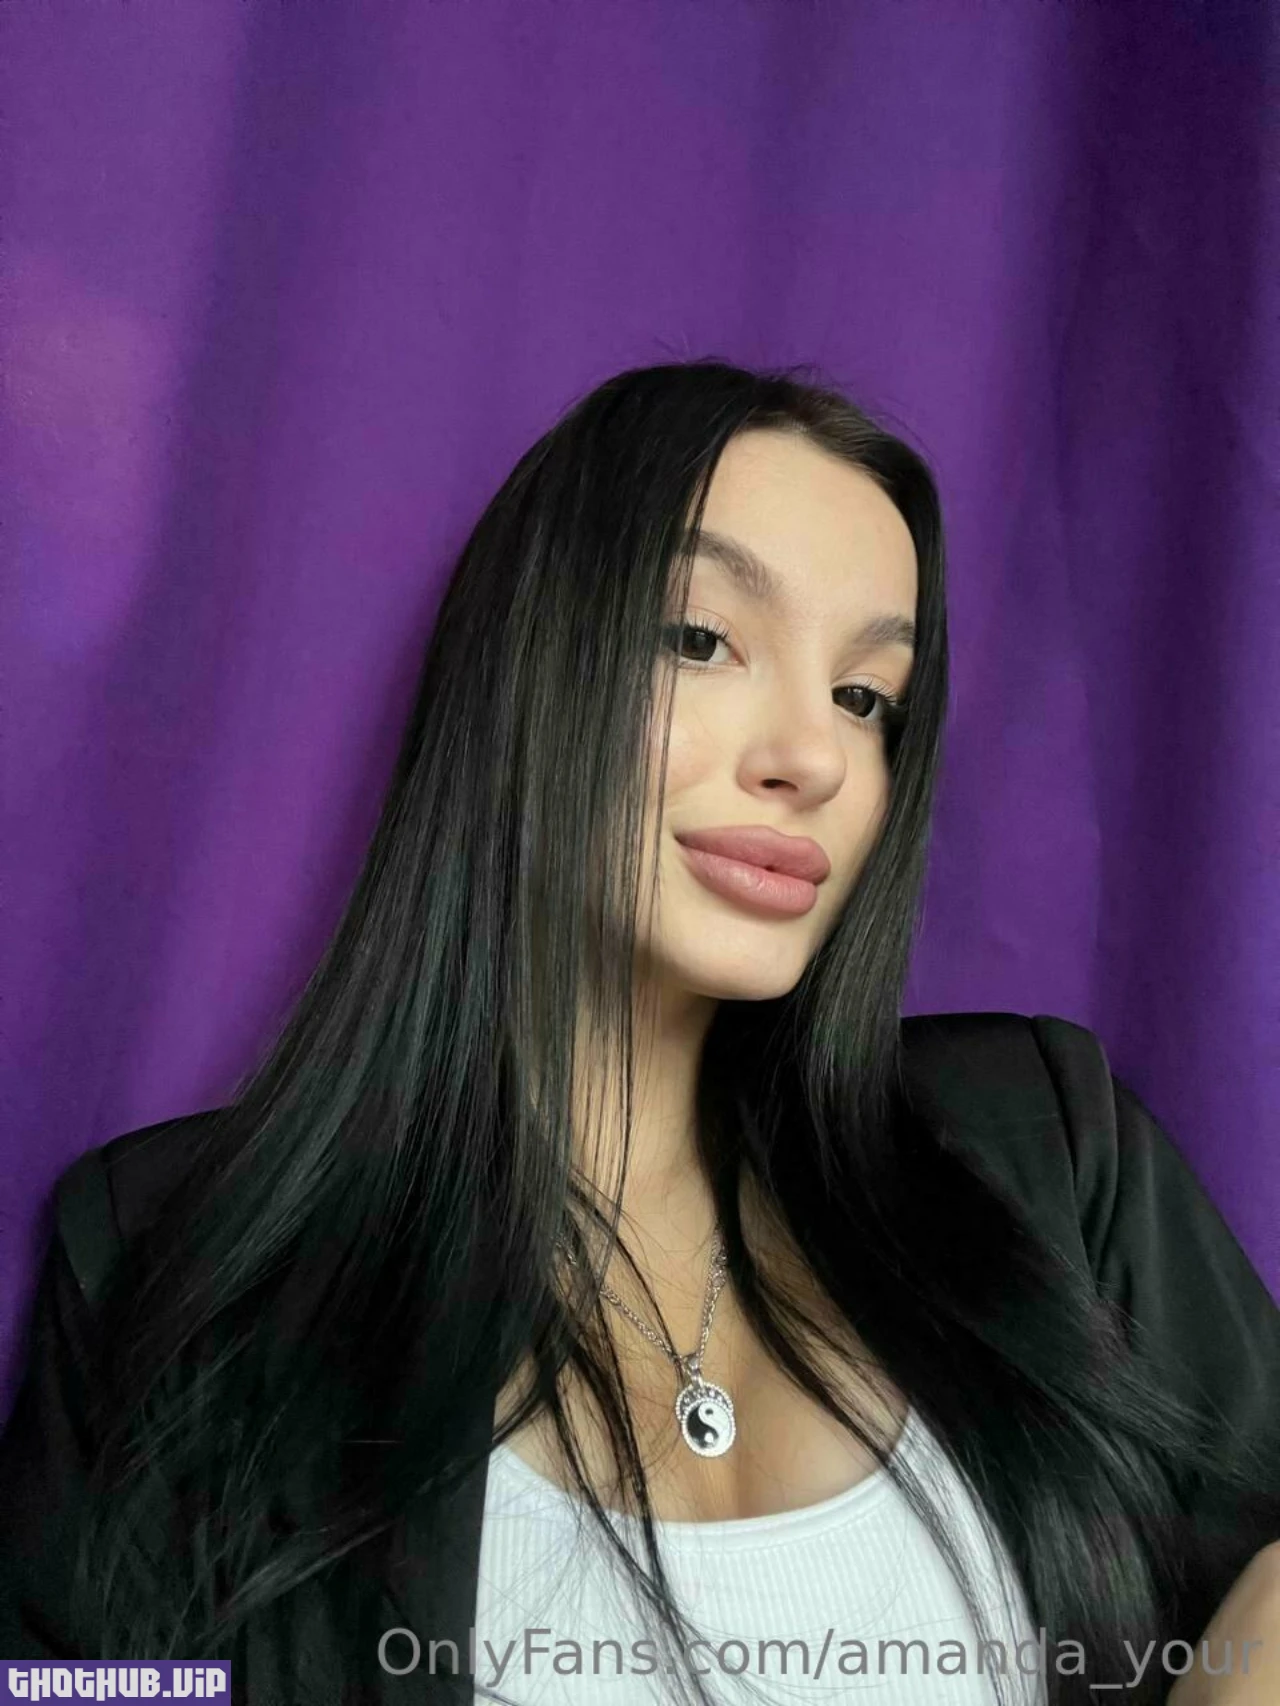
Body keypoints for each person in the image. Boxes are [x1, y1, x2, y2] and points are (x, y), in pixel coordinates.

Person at [2, 359, 1278, 1706]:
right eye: (702, 639)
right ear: (526, 671)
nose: (817, 758)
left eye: (867, 698)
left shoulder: (1050, 1155)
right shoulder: (175, 1258)